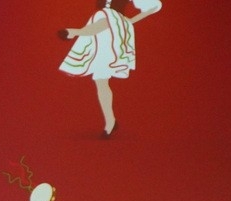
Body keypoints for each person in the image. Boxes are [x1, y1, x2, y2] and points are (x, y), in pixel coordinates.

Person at [59, 0, 163, 136]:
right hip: (104, 34)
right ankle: (110, 121)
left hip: (113, 27)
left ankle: (75, 32)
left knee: (101, 78)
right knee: (101, 80)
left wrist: (129, 21)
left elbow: (153, 5)